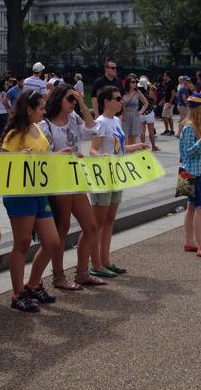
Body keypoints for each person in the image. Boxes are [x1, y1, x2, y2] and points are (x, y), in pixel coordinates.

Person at [27, 84, 101, 288]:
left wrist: (84, 106)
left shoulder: (74, 118)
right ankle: (58, 276)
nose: (72, 103)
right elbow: (45, 154)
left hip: (75, 176)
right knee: (63, 227)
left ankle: (82, 272)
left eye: (74, 99)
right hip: (59, 179)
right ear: (59, 99)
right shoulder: (46, 124)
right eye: (69, 99)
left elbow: (93, 130)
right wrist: (64, 155)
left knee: (91, 226)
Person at [0, 90, 61, 312]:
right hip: (19, 193)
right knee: (22, 242)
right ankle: (18, 293)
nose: (44, 112)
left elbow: (43, 157)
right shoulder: (14, 134)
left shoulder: (37, 128)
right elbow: (3, 163)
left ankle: (33, 284)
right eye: (41, 108)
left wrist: (59, 156)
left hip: (39, 191)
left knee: (52, 241)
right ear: (29, 109)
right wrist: (20, 157)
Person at [88, 86, 149, 276]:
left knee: (110, 219)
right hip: (104, 176)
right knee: (98, 222)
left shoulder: (115, 120)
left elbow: (119, 148)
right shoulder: (100, 122)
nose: (121, 101)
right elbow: (93, 149)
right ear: (106, 101)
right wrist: (101, 157)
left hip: (117, 173)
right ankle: (96, 263)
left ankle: (105, 260)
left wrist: (136, 146)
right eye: (117, 98)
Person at [178, 94, 201, 258]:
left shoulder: (194, 126)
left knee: (192, 208)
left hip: (191, 171)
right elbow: (187, 152)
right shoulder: (189, 127)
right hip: (192, 172)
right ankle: (200, 246)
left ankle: (190, 242)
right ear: (200, 109)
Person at [120, 74, 147, 146]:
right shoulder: (123, 93)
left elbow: (146, 103)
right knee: (125, 136)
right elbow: (121, 106)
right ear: (128, 83)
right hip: (125, 116)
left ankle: (131, 153)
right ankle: (127, 152)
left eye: (135, 82)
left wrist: (141, 111)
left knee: (133, 137)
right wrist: (122, 115)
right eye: (133, 82)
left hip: (134, 116)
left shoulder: (138, 92)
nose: (135, 84)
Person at [139, 78, 160, 151]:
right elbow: (154, 100)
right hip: (149, 113)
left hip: (141, 113)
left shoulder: (138, 92)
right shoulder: (150, 91)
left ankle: (143, 146)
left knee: (142, 131)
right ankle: (153, 146)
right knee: (151, 131)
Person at [0, 76, 13, 149]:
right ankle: (1, 145)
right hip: (3, 113)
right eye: (6, 84)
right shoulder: (5, 93)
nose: (8, 86)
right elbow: (9, 104)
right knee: (3, 130)